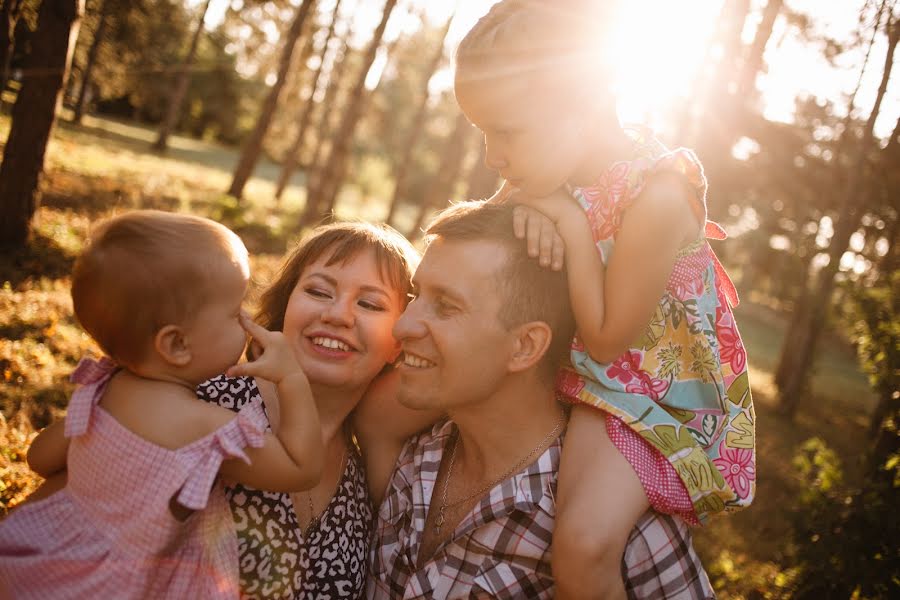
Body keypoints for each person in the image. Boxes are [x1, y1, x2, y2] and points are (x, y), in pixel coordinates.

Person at [452, 2, 755, 597]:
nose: (493, 156)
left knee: (583, 545)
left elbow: (609, 337)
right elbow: (481, 233)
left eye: (505, 132)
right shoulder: (548, 168)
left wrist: (564, 220)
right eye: (482, 133)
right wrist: (524, 214)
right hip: (579, 369)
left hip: (642, 394)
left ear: (581, 105)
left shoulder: (658, 196)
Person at [365, 201, 715, 599]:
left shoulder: (619, 528)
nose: (402, 324)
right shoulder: (412, 461)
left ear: (525, 346)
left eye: (446, 307)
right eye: (415, 295)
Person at [0, 210, 324, 599]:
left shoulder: (108, 387)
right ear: (176, 345)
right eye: (234, 311)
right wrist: (291, 377)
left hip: (46, 562)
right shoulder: (203, 426)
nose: (247, 319)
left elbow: (39, 457)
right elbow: (300, 468)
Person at [196, 221, 421, 599]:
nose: (338, 315)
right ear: (287, 308)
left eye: (369, 303)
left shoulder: (368, 484)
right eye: (318, 291)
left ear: (398, 343)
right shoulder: (208, 406)